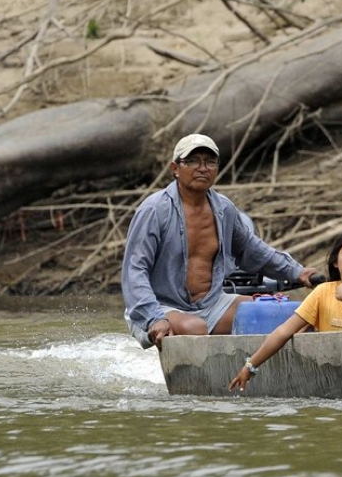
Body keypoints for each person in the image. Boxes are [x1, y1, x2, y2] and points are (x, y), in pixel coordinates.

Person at [121, 133, 319, 349]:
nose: (203, 168)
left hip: (211, 303)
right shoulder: (154, 210)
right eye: (193, 161)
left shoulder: (224, 209)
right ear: (175, 168)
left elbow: (251, 249)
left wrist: (297, 271)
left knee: (291, 316)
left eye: (210, 162)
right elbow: (134, 270)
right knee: (194, 328)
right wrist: (153, 317)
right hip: (161, 306)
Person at [228, 227, 342, 391]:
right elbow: (283, 332)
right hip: (331, 378)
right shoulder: (323, 292)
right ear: (336, 261)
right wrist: (250, 366)